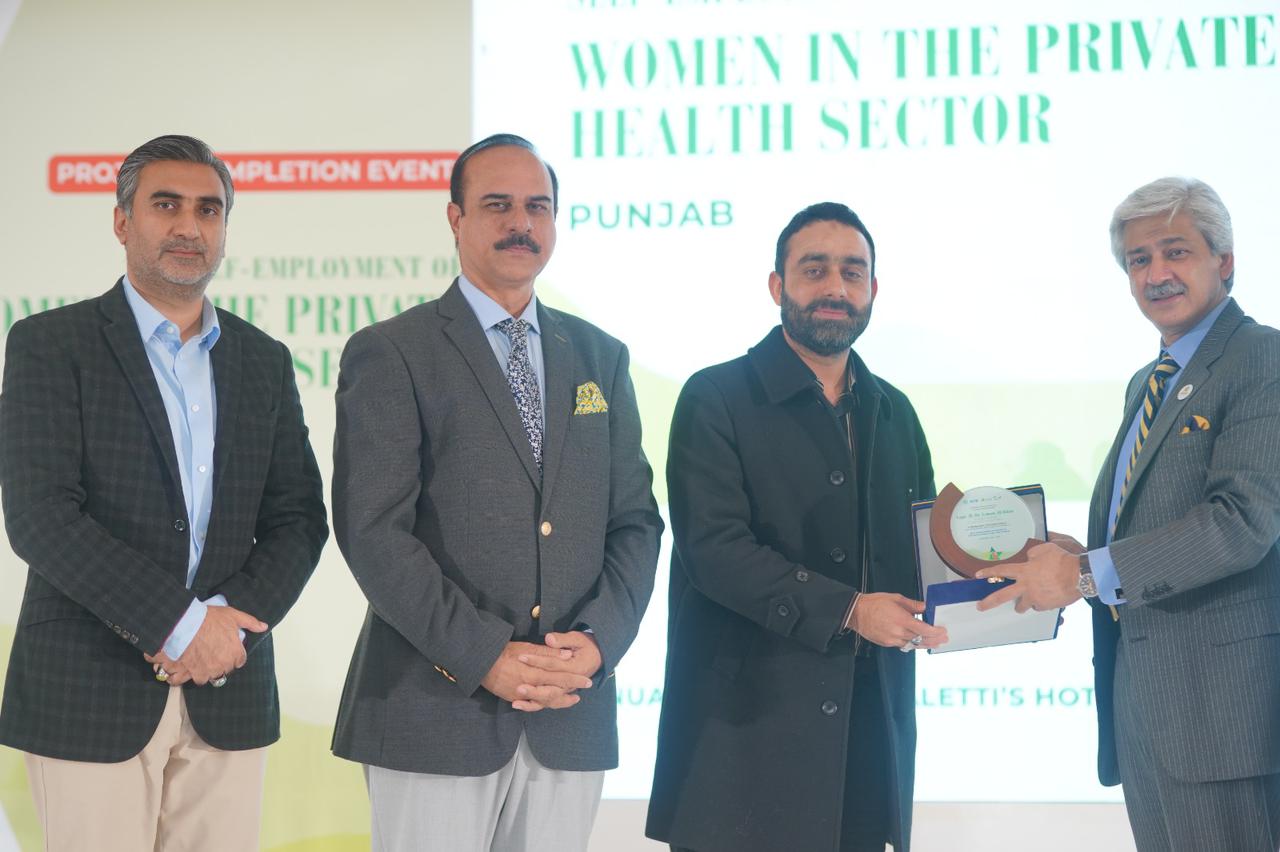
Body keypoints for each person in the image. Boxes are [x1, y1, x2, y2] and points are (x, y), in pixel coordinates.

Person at [330, 133, 663, 852]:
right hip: (434, 709)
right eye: (497, 205)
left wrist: (598, 644)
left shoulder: (600, 356)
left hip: (570, 712)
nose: (521, 223)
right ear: (455, 218)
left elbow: (636, 522)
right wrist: (486, 655)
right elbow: (372, 531)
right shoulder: (393, 351)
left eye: (537, 206)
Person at [0, 134, 329, 852]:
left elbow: (299, 518)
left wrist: (227, 632)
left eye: (208, 210)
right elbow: (40, 516)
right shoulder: (51, 344)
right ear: (123, 222)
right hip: (89, 689)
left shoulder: (264, 360)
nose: (189, 226)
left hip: (228, 690)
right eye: (166, 205)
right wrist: (181, 627)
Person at [977, 177, 1280, 850]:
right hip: (1146, 707)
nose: (1156, 273)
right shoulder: (1149, 382)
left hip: (1226, 717)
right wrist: (1073, 555)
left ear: (1225, 261)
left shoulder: (1264, 358)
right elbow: (1148, 526)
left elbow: (1242, 522)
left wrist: (1084, 575)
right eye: (1139, 260)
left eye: (1176, 251)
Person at [646, 202, 947, 852]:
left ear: (873, 289)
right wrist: (850, 610)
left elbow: (922, 553)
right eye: (815, 270)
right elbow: (714, 551)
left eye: (852, 272)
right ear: (777, 285)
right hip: (742, 745)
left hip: (867, 746)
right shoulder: (715, 397)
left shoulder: (894, 411)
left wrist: (998, 569)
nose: (836, 288)